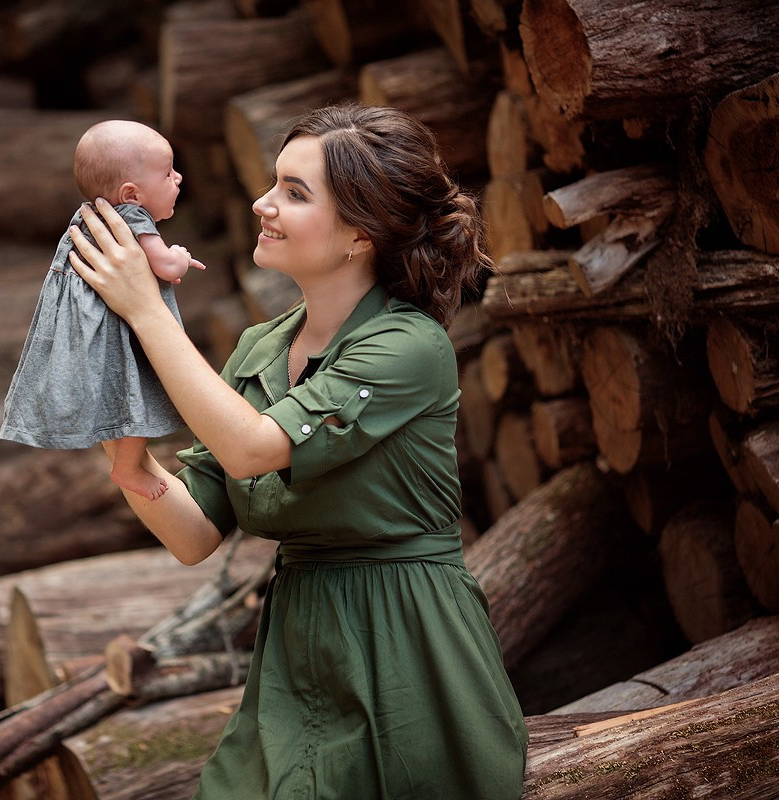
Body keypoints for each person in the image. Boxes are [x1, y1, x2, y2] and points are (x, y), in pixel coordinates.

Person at [65, 104, 528, 798]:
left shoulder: (409, 345)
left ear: (360, 235)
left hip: (407, 646)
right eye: (273, 183)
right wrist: (122, 439)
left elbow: (253, 450)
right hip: (296, 651)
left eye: (294, 192)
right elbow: (194, 534)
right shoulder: (261, 347)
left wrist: (147, 310)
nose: (263, 203)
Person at [0, 119, 205, 501]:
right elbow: (165, 265)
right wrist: (180, 256)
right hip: (119, 328)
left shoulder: (88, 217)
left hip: (86, 328)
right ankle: (128, 468)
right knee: (139, 400)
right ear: (132, 194)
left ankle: (124, 463)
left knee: (122, 400)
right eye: (168, 172)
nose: (178, 178)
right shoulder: (134, 218)